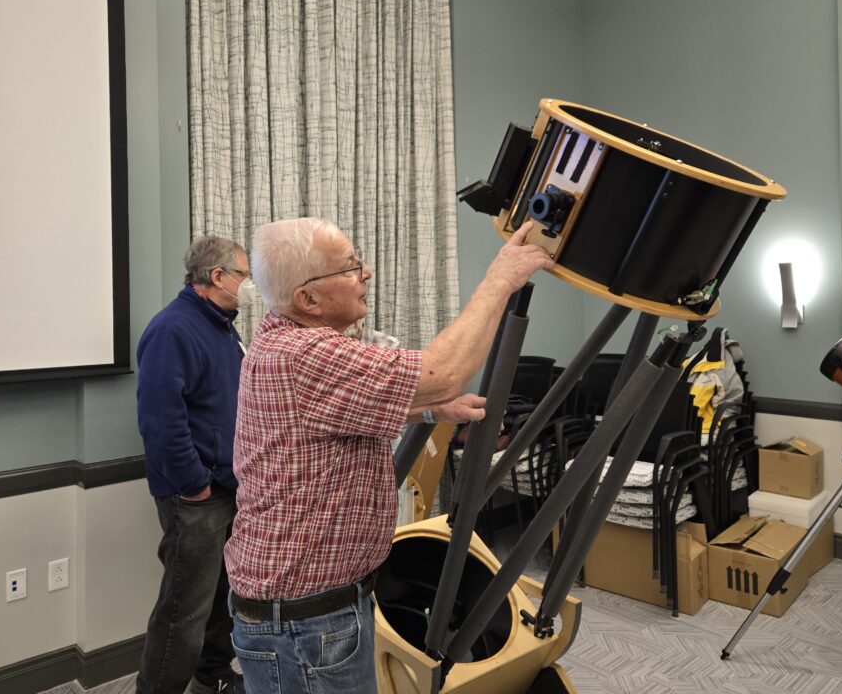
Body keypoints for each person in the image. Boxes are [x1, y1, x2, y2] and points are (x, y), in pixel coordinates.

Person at [224, 217, 553, 693]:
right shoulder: (305, 354)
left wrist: (429, 409)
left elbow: (335, 414)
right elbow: (443, 372)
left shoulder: (284, 339)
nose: (367, 272)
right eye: (350, 267)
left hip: (311, 611)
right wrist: (500, 280)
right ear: (308, 299)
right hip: (305, 626)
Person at [136, 236, 254, 694]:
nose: (249, 285)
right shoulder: (173, 329)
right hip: (196, 495)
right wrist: (193, 485)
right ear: (217, 277)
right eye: (243, 275)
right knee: (184, 609)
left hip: (228, 485)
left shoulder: (223, 328)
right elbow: (160, 420)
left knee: (222, 596)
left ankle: (213, 674)